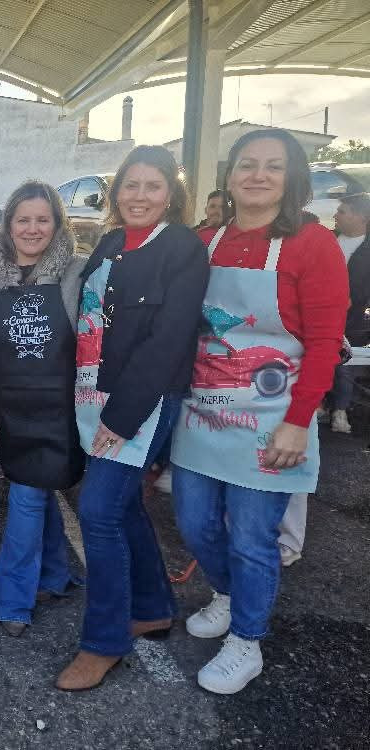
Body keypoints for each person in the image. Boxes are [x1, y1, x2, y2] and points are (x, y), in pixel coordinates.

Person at [170, 129, 348, 695]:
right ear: (230, 174)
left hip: (273, 417)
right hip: (203, 410)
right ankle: (227, 593)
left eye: (272, 166)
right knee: (195, 523)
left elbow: (324, 343)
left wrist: (300, 421)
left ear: (290, 177)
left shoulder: (311, 245)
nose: (257, 175)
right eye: (248, 164)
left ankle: (247, 640)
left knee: (252, 537)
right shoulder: (204, 241)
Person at [56, 146, 209, 691]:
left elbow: (167, 343)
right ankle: (151, 606)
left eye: (152, 186)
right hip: (93, 394)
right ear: (116, 191)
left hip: (139, 402)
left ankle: (104, 642)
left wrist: (121, 418)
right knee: (121, 509)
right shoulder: (112, 242)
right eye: (131, 185)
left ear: (172, 193)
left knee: (97, 512)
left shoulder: (183, 249)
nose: (139, 196)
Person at [0, 180, 86, 637]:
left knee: (30, 496)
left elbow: (93, 341)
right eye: (23, 219)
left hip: (61, 413)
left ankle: (12, 599)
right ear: (8, 224)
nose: (32, 229)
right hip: (7, 412)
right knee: (36, 490)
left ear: (57, 224)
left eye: (42, 219)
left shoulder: (78, 272)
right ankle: (52, 576)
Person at [326, 192, 370, 434]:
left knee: (344, 365)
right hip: (318, 315)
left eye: (342, 212)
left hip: (351, 320)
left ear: (361, 217)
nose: (335, 215)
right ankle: (317, 407)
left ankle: (340, 411)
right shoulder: (327, 240)